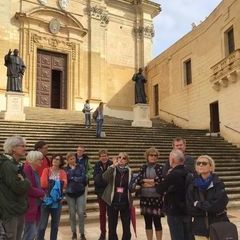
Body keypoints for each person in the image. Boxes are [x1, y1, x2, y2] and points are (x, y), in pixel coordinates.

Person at [187, 155, 229, 239]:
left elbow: (218, 205)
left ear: (211, 167)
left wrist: (198, 204)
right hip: (200, 226)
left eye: (204, 163)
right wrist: (206, 208)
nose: (201, 165)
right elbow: (190, 206)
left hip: (218, 224)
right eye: (198, 163)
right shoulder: (193, 185)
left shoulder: (218, 184)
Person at [156, 149, 192, 240]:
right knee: (187, 235)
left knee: (177, 236)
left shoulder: (172, 174)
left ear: (172, 160)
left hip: (174, 209)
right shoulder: (188, 172)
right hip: (187, 209)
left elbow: (160, 189)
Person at [0, 136, 30, 240]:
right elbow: (18, 187)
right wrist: (27, 182)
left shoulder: (15, 164)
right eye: (22, 146)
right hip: (11, 209)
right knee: (12, 237)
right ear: (13, 148)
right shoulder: (8, 165)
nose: (25, 148)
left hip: (17, 207)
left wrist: (23, 181)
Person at [131, 147, 164, 240]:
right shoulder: (143, 167)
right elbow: (139, 180)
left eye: (155, 155)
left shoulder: (160, 167)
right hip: (145, 198)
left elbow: (161, 180)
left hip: (156, 198)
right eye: (151, 155)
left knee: (157, 222)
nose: (153, 157)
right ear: (147, 156)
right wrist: (153, 182)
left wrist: (147, 182)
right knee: (148, 222)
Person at [102, 152, 132, 240]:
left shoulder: (129, 171)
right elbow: (104, 177)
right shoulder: (112, 169)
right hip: (112, 201)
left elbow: (130, 186)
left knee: (126, 226)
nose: (121, 159)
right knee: (112, 226)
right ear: (117, 159)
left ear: (127, 161)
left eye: (124, 158)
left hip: (125, 202)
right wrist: (113, 166)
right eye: (119, 157)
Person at [37, 155, 67, 240]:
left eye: (58, 159)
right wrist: (57, 184)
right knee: (42, 225)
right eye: (54, 158)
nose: (55, 160)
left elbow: (64, 184)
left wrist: (51, 183)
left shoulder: (62, 172)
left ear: (61, 162)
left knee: (55, 226)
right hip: (46, 200)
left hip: (57, 201)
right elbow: (43, 184)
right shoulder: (46, 170)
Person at [22, 151, 45, 240]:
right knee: (29, 234)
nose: (41, 161)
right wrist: (42, 193)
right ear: (33, 160)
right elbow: (29, 189)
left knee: (32, 233)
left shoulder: (35, 171)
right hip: (29, 207)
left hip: (36, 205)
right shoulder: (27, 169)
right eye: (39, 159)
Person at [64, 153, 88, 240]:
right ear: (67, 160)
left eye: (73, 158)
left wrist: (73, 178)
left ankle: (82, 233)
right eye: (70, 159)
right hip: (70, 193)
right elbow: (66, 179)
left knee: (81, 213)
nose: (72, 160)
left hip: (80, 192)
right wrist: (75, 177)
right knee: (72, 213)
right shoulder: (65, 169)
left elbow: (84, 178)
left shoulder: (81, 167)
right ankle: (74, 232)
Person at [93, 150, 113, 240]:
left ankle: (112, 233)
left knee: (111, 214)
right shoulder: (97, 165)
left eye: (105, 156)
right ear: (99, 157)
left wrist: (102, 178)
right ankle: (103, 234)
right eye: (102, 156)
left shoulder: (112, 164)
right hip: (101, 193)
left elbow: (112, 179)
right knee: (102, 215)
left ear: (108, 156)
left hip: (110, 193)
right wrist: (104, 179)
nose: (104, 157)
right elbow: (96, 180)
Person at [75, 145, 93, 217]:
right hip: (74, 182)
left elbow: (91, 169)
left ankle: (83, 211)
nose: (79, 152)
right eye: (78, 150)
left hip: (83, 182)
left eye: (81, 150)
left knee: (83, 198)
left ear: (83, 152)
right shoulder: (73, 158)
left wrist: (87, 176)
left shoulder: (86, 160)